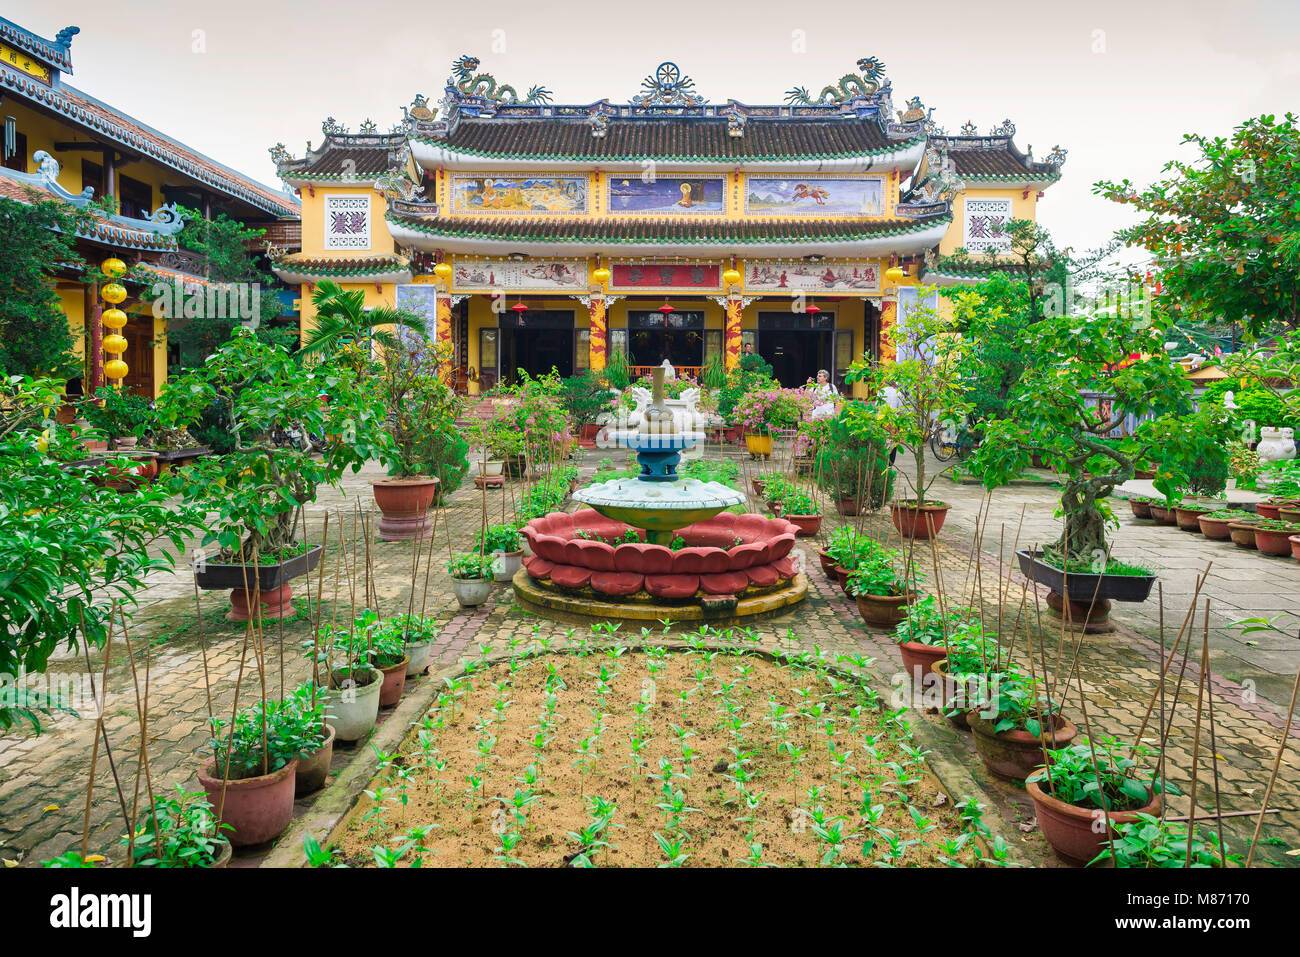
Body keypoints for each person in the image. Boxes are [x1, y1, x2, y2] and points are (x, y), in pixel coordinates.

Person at [881, 383, 903, 464]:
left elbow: (877, 407)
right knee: (893, 442)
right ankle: (890, 463)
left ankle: (882, 461)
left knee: (883, 441)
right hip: (894, 421)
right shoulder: (898, 393)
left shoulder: (881, 391)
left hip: (883, 421)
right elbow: (901, 410)